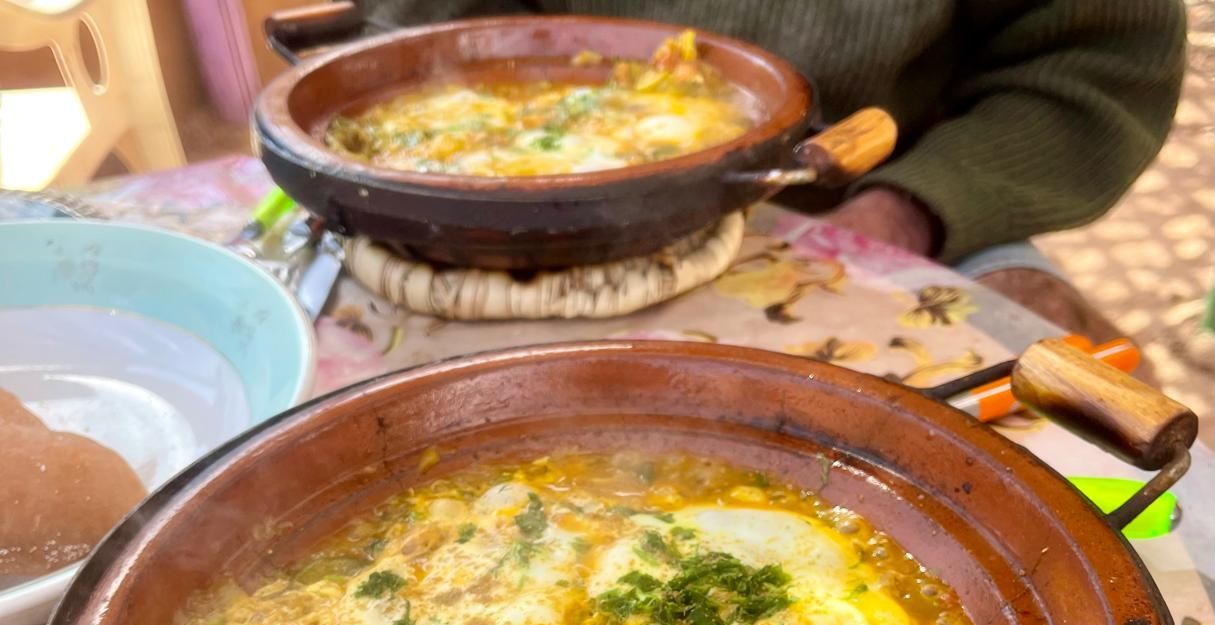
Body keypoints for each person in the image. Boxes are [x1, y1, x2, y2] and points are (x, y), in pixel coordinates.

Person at [360, 0, 1187, 342]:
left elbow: (1087, 68)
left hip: (875, 195)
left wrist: (906, 211)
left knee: (1047, 352)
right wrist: (514, 150)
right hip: (505, 178)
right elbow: (429, 20)